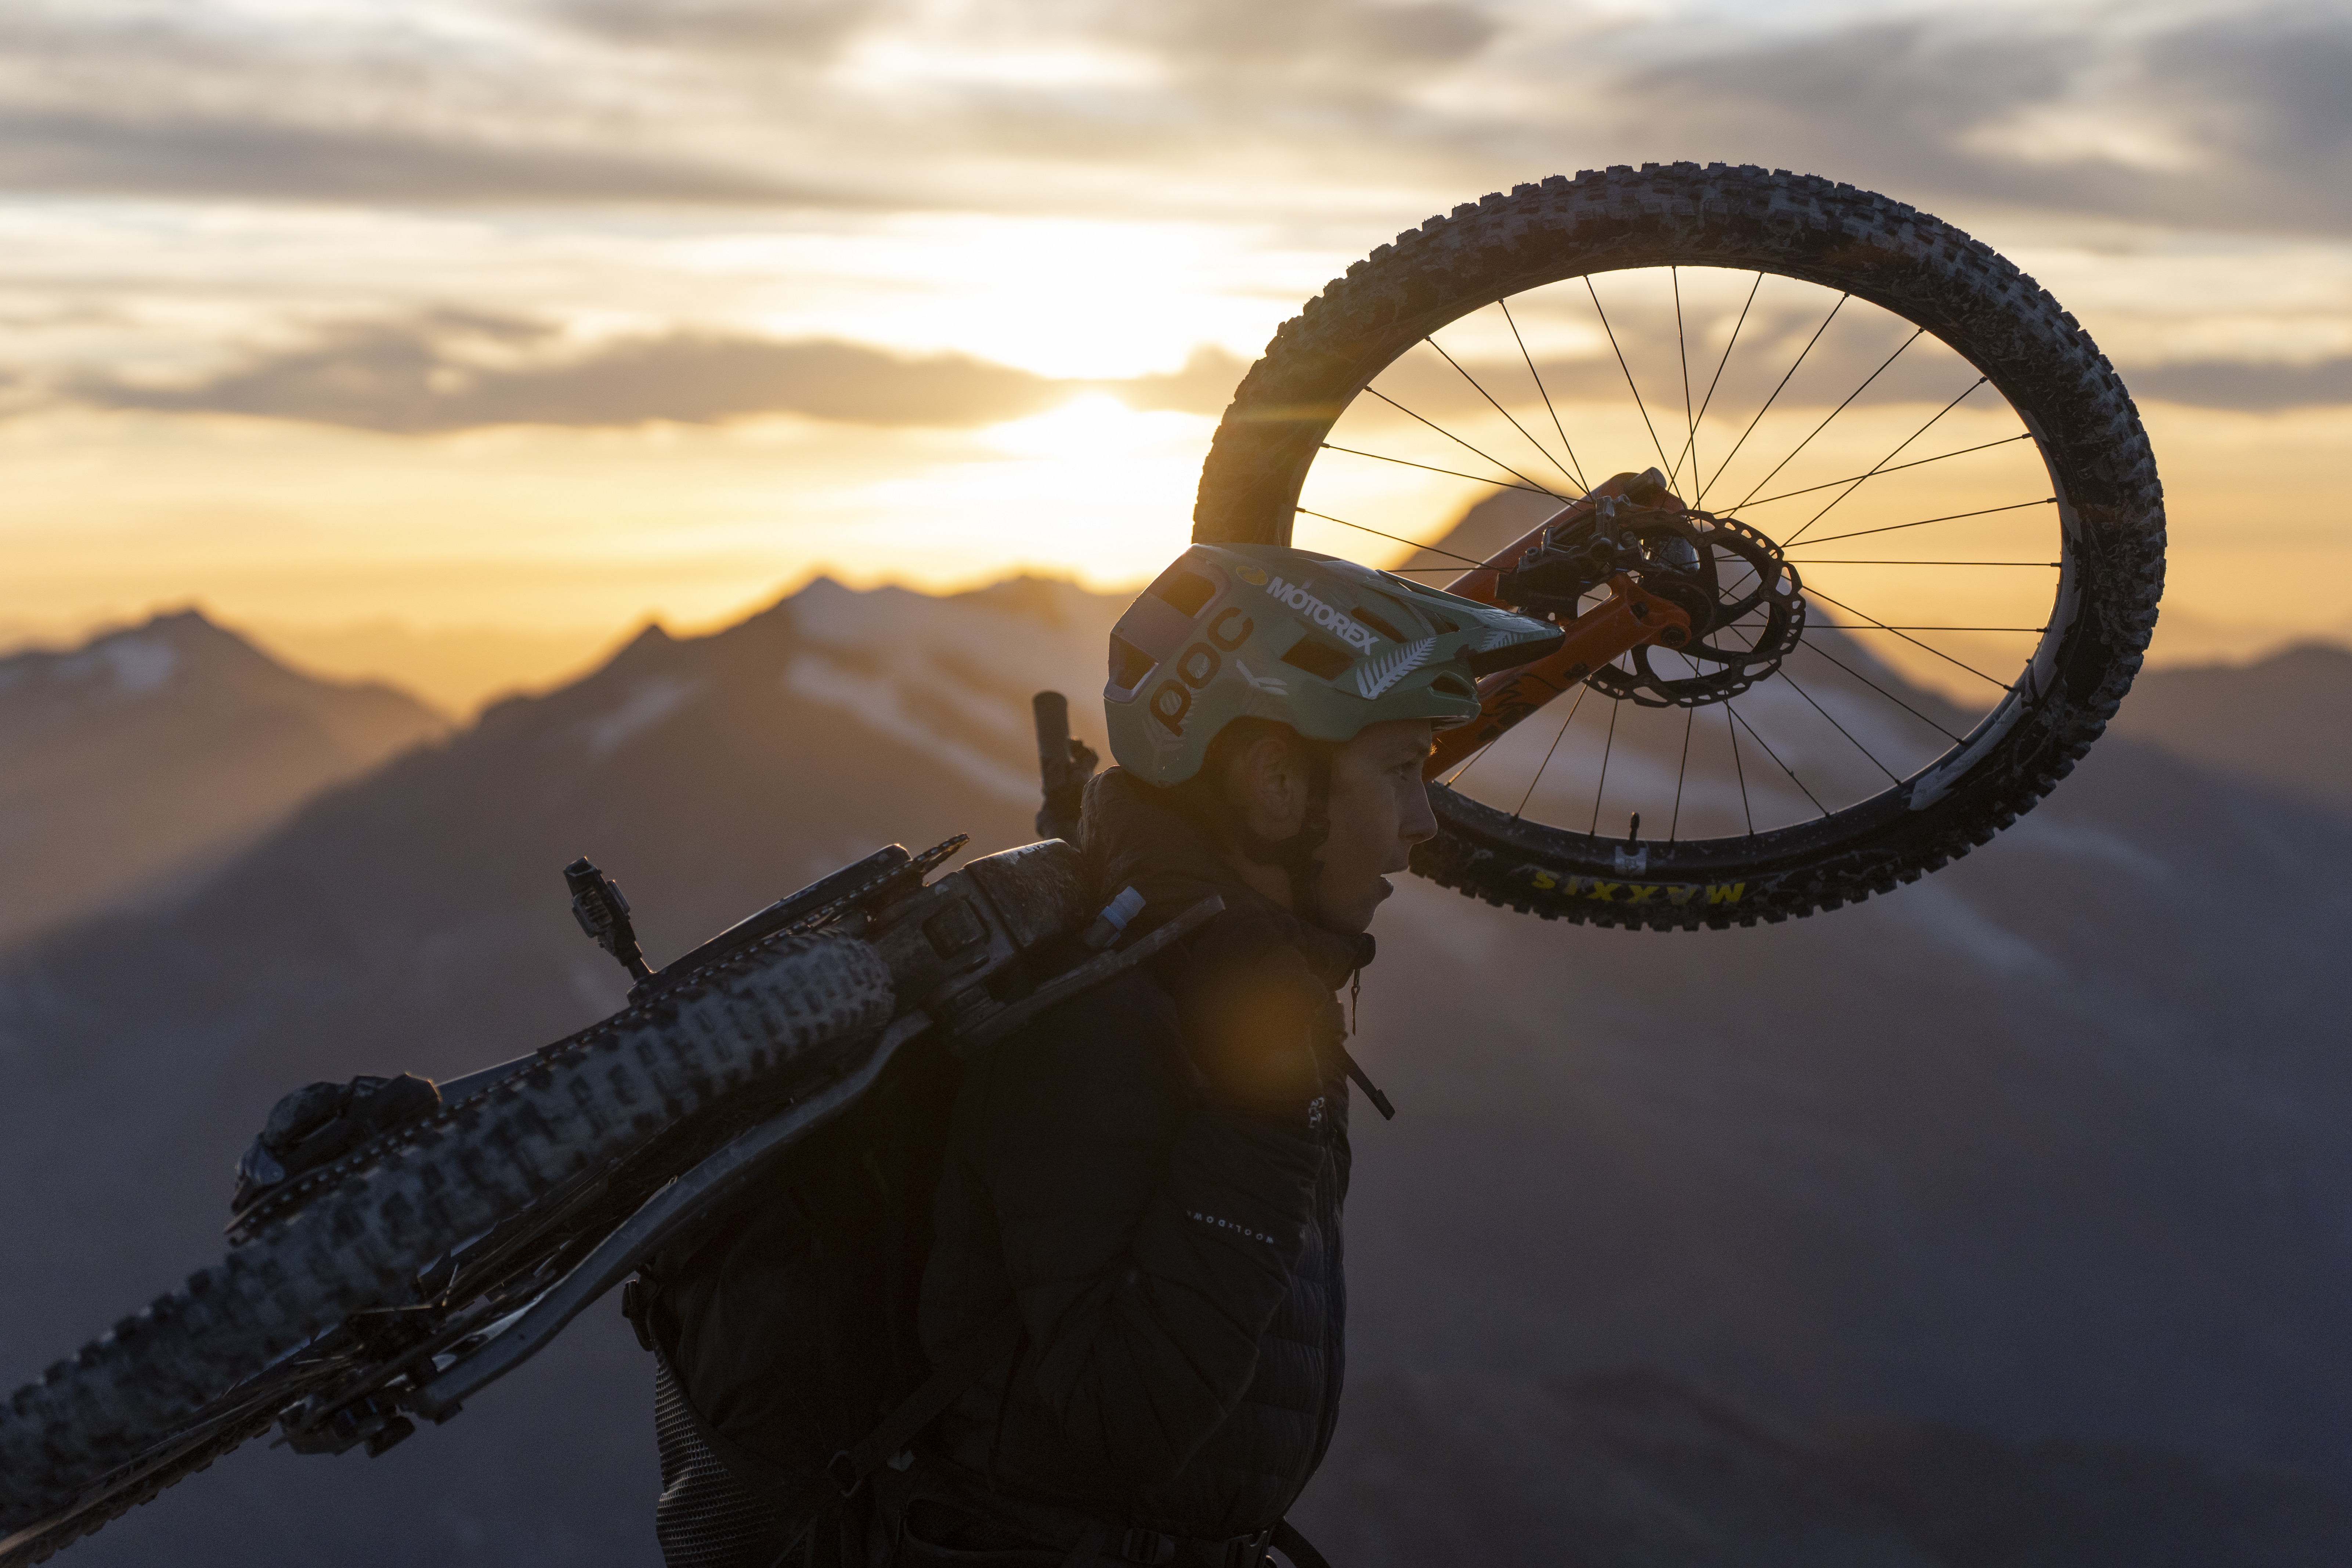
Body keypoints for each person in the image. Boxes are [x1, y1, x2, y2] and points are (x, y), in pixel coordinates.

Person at [875, 543, 1559, 1566]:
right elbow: (1123, 1420)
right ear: (1276, 784)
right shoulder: (1095, 1018)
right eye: (1400, 771)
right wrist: (1268, 1110)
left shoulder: (1213, 976)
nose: (1422, 823)